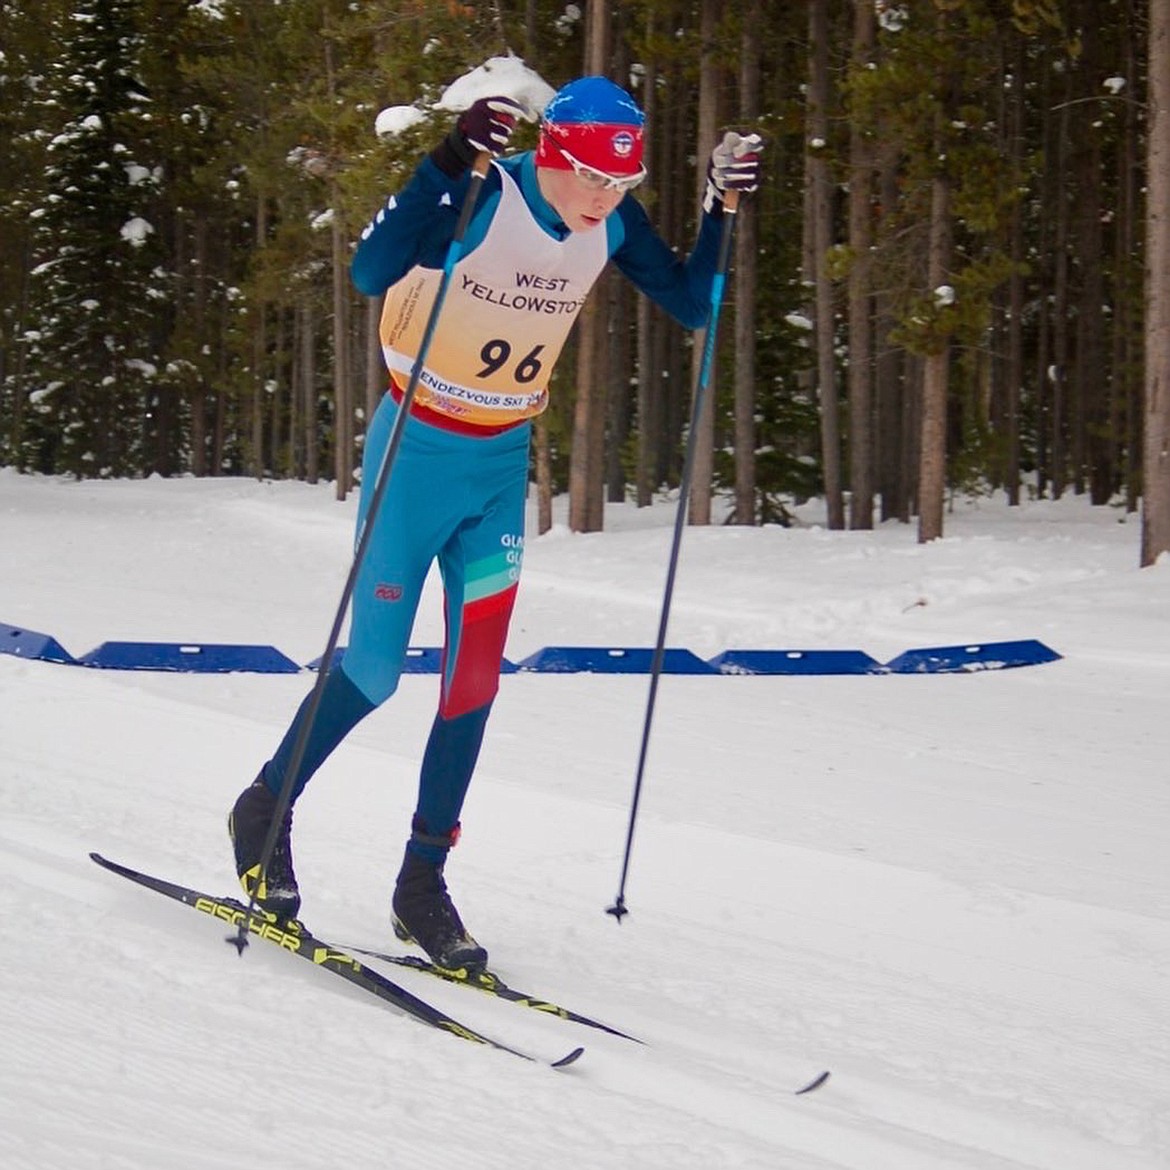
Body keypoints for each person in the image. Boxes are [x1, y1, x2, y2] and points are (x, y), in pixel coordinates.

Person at [228, 76, 762, 973]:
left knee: (474, 682)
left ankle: (421, 884)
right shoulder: (486, 193)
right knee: (372, 671)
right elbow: (369, 271)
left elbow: (694, 303)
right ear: (551, 153)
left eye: (620, 184)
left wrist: (719, 209)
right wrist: (444, 161)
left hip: (497, 465)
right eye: (592, 176)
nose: (604, 198)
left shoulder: (611, 224)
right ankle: (263, 809)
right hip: (415, 453)